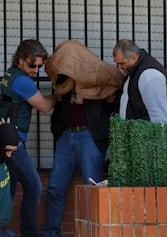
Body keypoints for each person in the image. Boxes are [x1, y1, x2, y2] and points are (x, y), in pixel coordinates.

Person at [39, 40, 124, 237]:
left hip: (89, 135)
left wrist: (109, 101)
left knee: (93, 188)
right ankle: (50, 233)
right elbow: (58, 109)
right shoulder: (61, 81)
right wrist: (58, 131)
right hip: (66, 136)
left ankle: (95, 232)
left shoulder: (96, 79)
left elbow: (114, 103)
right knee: (55, 189)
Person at [0, 39, 58, 237]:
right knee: (34, 186)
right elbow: (44, 106)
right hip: (12, 142)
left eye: (39, 66)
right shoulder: (22, 81)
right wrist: (59, 95)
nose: (36, 70)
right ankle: (28, 232)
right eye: (32, 65)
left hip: (3, 137)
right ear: (21, 60)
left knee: (8, 189)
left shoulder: (11, 74)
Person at [112, 39, 167, 124]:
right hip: (137, 132)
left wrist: (154, 136)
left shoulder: (149, 75)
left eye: (122, 63)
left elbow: (159, 117)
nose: (119, 67)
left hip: (145, 134)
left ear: (134, 57)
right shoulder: (134, 71)